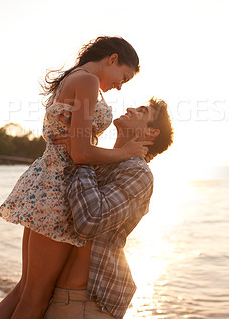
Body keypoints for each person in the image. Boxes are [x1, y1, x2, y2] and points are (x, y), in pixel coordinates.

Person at [0, 36, 150, 319]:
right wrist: (125, 153)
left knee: (24, 290)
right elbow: (80, 152)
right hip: (58, 192)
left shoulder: (76, 80)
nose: (120, 86)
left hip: (47, 184)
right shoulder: (87, 81)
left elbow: (76, 145)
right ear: (112, 59)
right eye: (123, 76)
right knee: (35, 298)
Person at [43, 97, 174, 319]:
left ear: (152, 133)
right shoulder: (102, 160)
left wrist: (80, 156)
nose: (130, 108)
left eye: (142, 111)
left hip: (86, 304)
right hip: (61, 295)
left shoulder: (138, 172)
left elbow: (90, 220)